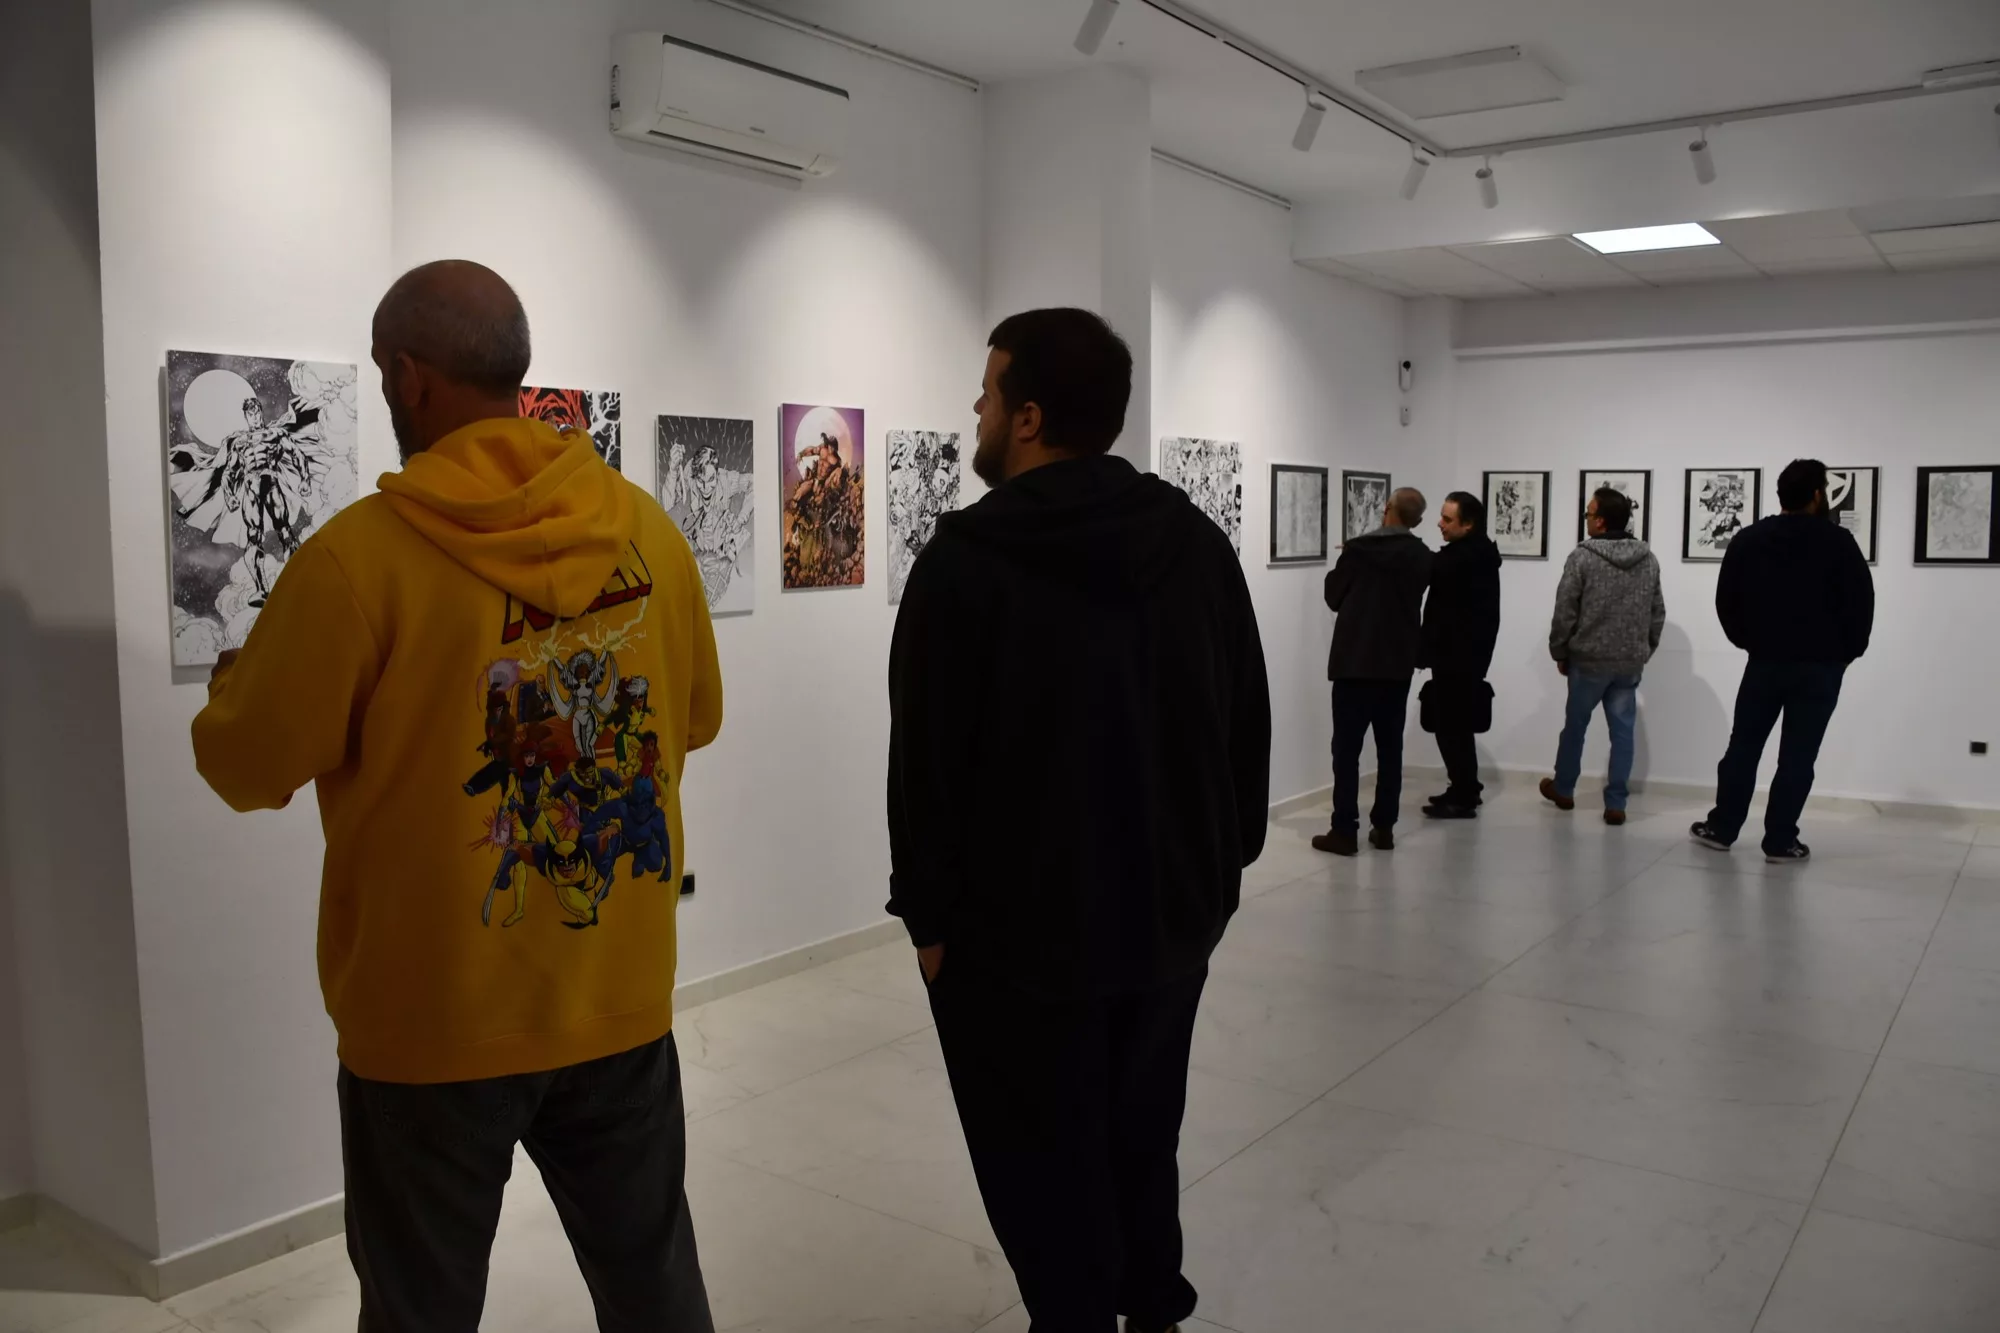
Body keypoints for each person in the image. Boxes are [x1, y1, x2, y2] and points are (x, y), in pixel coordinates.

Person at [190, 260, 721, 1333]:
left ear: (409, 378)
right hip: (615, 990)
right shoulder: (649, 534)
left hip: (431, 1017)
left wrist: (234, 681)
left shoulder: (357, 562)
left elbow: (243, 765)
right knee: (654, 1293)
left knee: (418, 1314)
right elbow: (696, 718)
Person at [888, 307, 1271, 1333]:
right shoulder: (1195, 544)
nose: (975, 408)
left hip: (1014, 943)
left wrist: (928, 919)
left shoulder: (966, 559)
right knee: (1141, 1130)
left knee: (1036, 1161)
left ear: (1028, 416)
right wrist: (1219, 871)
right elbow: (1244, 722)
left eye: (987, 390)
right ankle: (1149, 1304)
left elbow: (925, 761)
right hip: (1169, 920)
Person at [1692, 458, 1874, 863]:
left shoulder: (1750, 540)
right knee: (1798, 756)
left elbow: (1726, 601)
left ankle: (1723, 827)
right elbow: (1861, 604)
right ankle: (1780, 840)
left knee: (1743, 747)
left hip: (1765, 662)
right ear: (1817, 495)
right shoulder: (1839, 543)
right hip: (1820, 668)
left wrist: (1749, 641)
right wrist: (1847, 654)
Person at [1313, 487, 1433, 856]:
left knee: (1346, 751)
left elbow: (1333, 596)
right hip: (1396, 666)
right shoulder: (1422, 556)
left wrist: (1347, 561)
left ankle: (1344, 829)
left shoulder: (1358, 551)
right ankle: (1384, 828)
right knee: (1390, 749)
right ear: (1417, 521)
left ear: (1387, 509)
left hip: (1354, 663)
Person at [1542, 486, 1665, 825]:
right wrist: (1644, 649)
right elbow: (1657, 611)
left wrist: (1559, 649)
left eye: (1588, 513)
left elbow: (1565, 610)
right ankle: (1616, 804)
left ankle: (1564, 789)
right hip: (1629, 662)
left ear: (1600, 521)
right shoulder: (1648, 559)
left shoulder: (1582, 557)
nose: (1586, 519)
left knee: (1575, 727)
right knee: (1622, 733)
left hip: (1589, 660)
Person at [1418, 491, 1501, 818]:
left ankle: (1464, 793)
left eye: (1447, 519)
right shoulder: (1478, 554)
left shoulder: (1463, 559)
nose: (1439, 523)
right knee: (1457, 726)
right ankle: (1465, 787)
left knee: (1451, 726)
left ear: (1468, 525)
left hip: (1457, 656)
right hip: (1465, 655)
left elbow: (1429, 568)